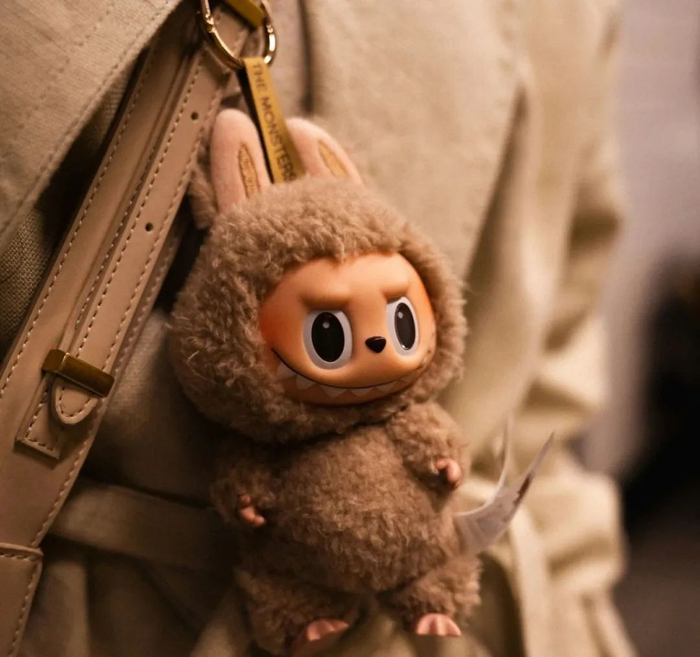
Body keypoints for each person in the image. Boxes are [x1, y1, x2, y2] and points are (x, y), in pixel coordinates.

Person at [0, 1, 635, 655]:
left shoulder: (570, 12)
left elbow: (554, 374)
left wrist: (570, 595)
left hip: (479, 607)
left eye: (400, 318)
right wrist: (249, 500)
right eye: (331, 335)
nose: (381, 345)